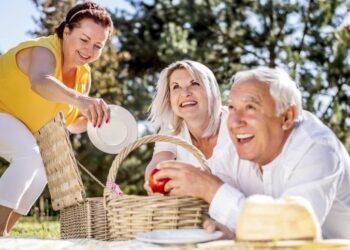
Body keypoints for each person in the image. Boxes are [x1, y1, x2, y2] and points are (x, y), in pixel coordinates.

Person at [154, 67, 350, 239]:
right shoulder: (231, 152)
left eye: (250, 107)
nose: (235, 121)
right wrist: (232, 234)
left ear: (287, 117)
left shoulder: (316, 147)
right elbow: (242, 217)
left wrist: (210, 188)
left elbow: (293, 232)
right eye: (232, 108)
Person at [0, 2, 113, 236]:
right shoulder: (44, 50)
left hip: (14, 124)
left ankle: (5, 234)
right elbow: (40, 81)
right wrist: (81, 100)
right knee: (29, 157)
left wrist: (92, 120)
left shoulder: (83, 76)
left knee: (42, 170)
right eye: (84, 39)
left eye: (98, 46)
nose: (89, 50)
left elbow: (69, 123)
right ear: (66, 31)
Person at [145, 60, 237, 193]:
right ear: (169, 97)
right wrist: (154, 184)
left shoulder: (235, 120)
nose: (185, 93)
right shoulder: (170, 130)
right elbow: (158, 166)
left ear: (210, 90)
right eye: (176, 87)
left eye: (194, 83)